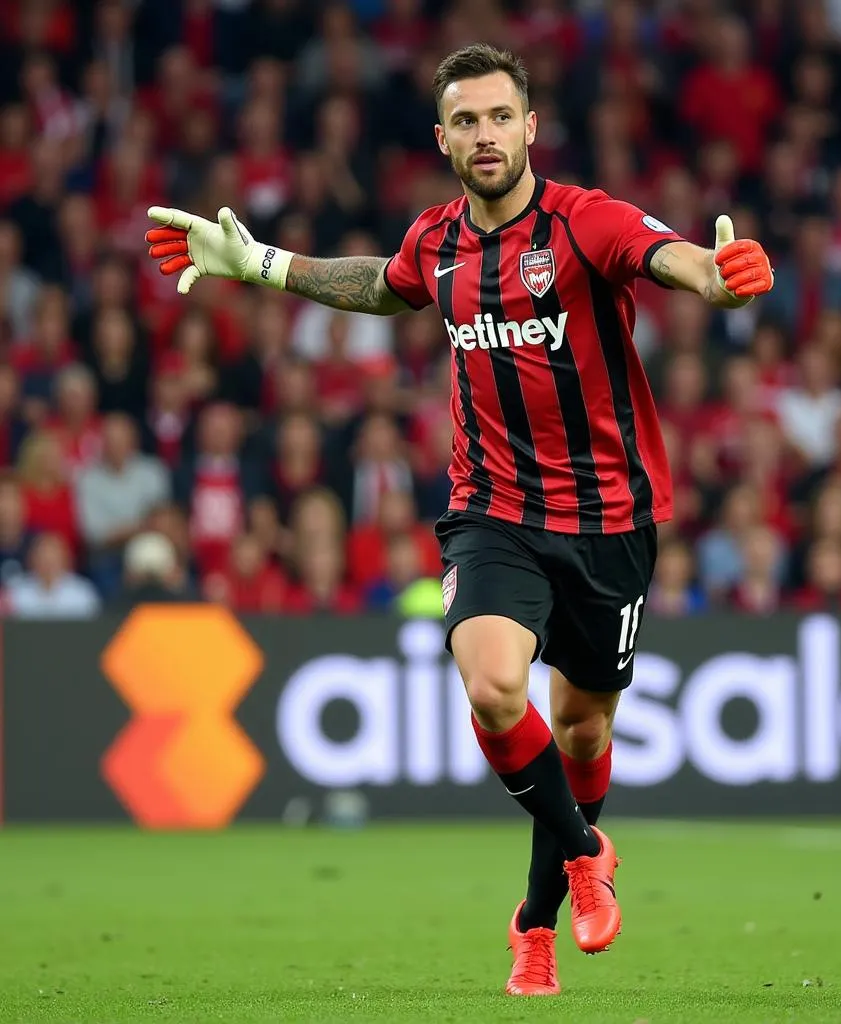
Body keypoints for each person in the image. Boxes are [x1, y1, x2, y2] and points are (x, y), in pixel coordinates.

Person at [145, 44, 774, 997]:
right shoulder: (436, 242)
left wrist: (717, 277)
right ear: (444, 139)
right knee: (491, 690)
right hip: (493, 513)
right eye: (466, 122)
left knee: (585, 734)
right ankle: (585, 856)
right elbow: (378, 283)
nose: (485, 136)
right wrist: (263, 264)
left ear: (530, 127)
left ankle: (533, 923)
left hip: (610, 522)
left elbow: (667, 255)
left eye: (499, 117)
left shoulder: (582, 220)